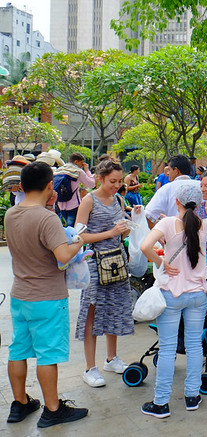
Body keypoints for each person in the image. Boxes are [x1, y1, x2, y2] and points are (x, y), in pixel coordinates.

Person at [5, 161, 89, 428]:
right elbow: (63, 255)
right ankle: (52, 410)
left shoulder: (11, 213)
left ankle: (19, 404)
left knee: (18, 350)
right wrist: (78, 241)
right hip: (47, 297)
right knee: (48, 355)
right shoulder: (46, 218)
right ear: (50, 185)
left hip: (20, 295)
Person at [139, 183, 207, 418]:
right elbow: (188, 231)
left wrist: (161, 263)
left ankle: (161, 403)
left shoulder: (168, 223)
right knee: (194, 346)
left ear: (177, 202)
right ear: (198, 204)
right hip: (198, 295)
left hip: (171, 294)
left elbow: (144, 246)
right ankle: (192, 396)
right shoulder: (206, 225)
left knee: (168, 348)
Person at [75, 159, 135, 388]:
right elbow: (79, 237)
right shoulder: (88, 200)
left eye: (120, 181)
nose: (117, 185)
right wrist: (111, 231)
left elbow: (121, 231)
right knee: (91, 313)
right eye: (112, 181)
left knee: (114, 309)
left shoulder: (118, 199)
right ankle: (90, 368)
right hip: (94, 263)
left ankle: (112, 358)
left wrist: (128, 226)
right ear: (100, 178)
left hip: (117, 261)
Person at [145, 155, 196, 227]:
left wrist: (160, 235)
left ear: (176, 171)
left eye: (169, 170)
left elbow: (149, 215)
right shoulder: (202, 187)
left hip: (173, 235)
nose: (167, 173)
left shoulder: (167, 188)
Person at [54, 152, 95, 228]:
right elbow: (91, 184)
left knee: (64, 228)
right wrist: (87, 171)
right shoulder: (78, 172)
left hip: (60, 204)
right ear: (76, 161)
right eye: (81, 163)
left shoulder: (59, 170)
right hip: (73, 205)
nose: (82, 166)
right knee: (73, 229)